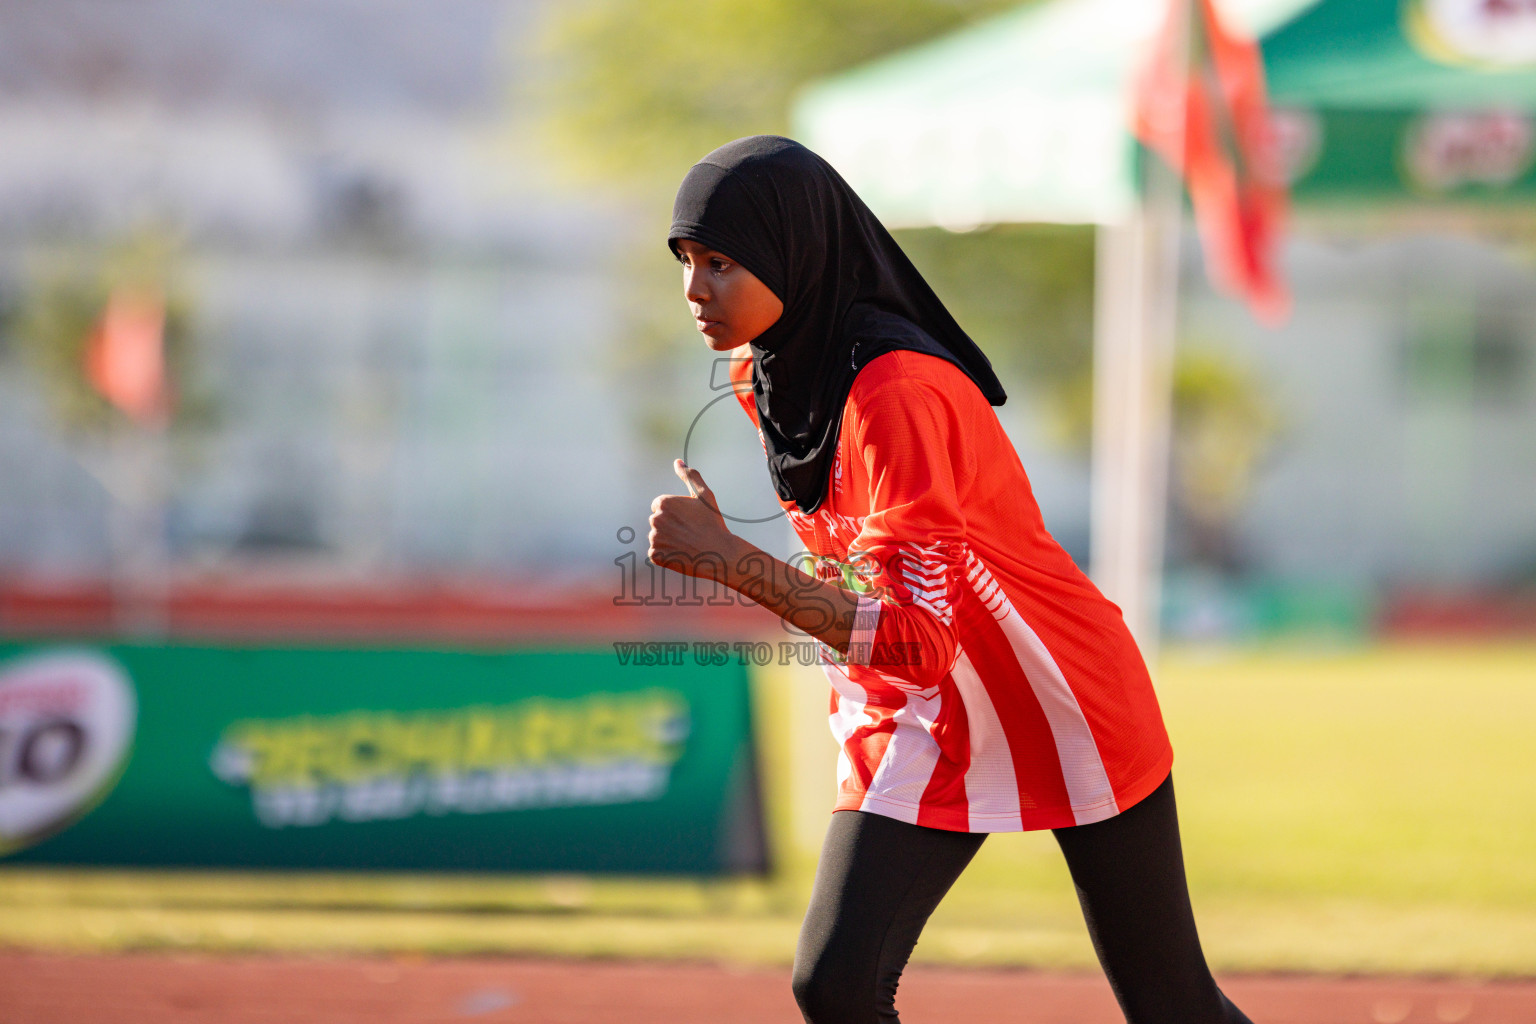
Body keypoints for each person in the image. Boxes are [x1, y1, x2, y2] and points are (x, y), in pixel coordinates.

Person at [648, 135, 1252, 1024]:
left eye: (723, 262)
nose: (696, 290)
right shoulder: (764, 375)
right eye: (688, 262)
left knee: (1172, 1004)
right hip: (924, 706)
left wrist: (734, 563)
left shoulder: (898, 392)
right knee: (837, 984)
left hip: (1057, 687)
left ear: (798, 252)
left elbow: (917, 642)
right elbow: (881, 590)